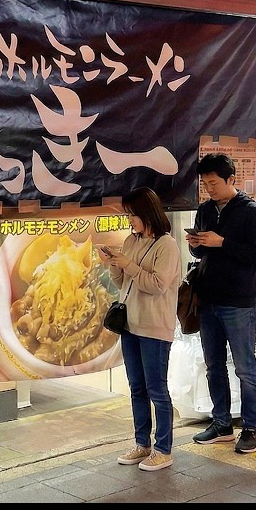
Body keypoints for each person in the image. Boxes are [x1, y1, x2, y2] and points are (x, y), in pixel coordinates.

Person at [187, 153, 256, 455]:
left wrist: (222, 242)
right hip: (208, 298)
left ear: (231, 180)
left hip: (238, 300)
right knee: (213, 366)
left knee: (245, 368)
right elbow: (201, 255)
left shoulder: (251, 212)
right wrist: (197, 245)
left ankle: (251, 427)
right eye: (205, 183)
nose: (209, 188)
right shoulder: (205, 209)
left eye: (214, 183)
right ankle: (221, 422)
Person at [101, 187, 182, 471]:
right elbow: (122, 283)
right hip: (130, 326)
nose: (129, 220)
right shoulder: (130, 240)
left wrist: (129, 265)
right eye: (127, 215)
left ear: (148, 213)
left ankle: (163, 448)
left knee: (156, 390)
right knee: (136, 388)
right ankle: (142, 444)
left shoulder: (167, 245)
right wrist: (114, 263)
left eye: (132, 214)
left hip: (155, 328)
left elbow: (158, 286)